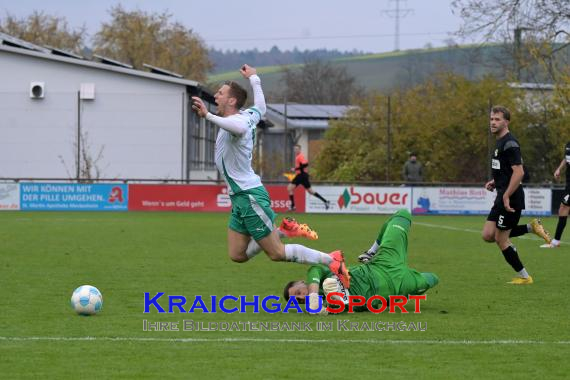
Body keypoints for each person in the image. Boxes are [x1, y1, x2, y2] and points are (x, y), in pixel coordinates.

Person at [191, 64, 349, 286]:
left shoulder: (237, 122)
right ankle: (283, 230)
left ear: (232, 101)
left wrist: (207, 115)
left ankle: (332, 259)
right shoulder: (248, 114)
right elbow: (261, 107)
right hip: (240, 198)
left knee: (276, 253)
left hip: (249, 196)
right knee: (237, 254)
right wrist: (254, 78)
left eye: (220, 93)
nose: (215, 95)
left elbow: (238, 129)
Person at [284, 209, 439, 313]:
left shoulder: (319, 276)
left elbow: (315, 268)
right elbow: (338, 308)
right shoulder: (322, 306)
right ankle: (339, 295)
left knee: (402, 214)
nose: (302, 297)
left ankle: (371, 251)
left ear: (302, 282)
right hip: (392, 289)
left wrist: (312, 295)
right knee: (432, 278)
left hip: (382, 265)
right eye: (299, 300)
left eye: (299, 292)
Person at [481, 106, 551, 285]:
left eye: (497, 119)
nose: (493, 122)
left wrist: (506, 195)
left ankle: (525, 276)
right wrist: (495, 182)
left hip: (511, 199)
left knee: (501, 240)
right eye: (491, 119)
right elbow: (506, 169)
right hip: (502, 195)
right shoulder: (500, 142)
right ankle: (531, 227)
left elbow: (519, 172)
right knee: (488, 235)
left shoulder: (510, 143)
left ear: (506, 122)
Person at [541, 141, 570, 248]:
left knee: (563, 207)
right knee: (563, 208)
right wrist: (559, 169)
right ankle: (556, 241)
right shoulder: (568, 144)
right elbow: (566, 158)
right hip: (568, 184)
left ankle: (556, 241)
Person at [287, 144, 330, 211]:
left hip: (301, 175)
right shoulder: (298, 156)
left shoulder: (300, 156)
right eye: (295, 149)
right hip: (302, 175)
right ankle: (325, 201)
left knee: (289, 188)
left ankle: (292, 206)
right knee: (310, 191)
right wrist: (297, 169)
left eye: (297, 149)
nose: (295, 150)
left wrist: (295, 169)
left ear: (300, 150)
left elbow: (306, 164)